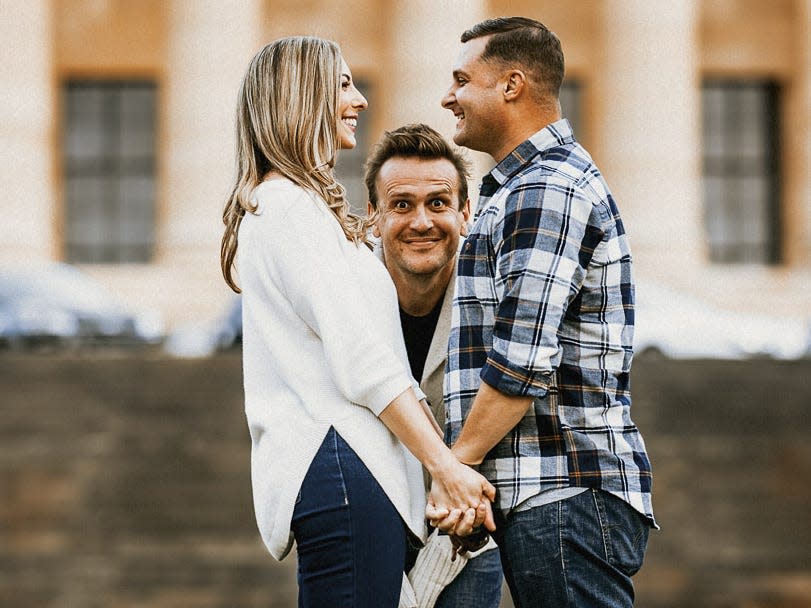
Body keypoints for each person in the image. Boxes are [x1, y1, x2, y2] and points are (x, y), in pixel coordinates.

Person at [219, 37, 495, 608]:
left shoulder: (293, 208)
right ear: (303, 95)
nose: (360, 99)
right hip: (342, 462)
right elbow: (363, 360)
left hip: (348, 468)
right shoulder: (289, 207)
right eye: (343, 84)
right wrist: (444, 466)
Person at [430, 17, 658, 608]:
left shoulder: (544, 188)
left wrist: (455, 467)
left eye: (461, 79)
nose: (448, 96)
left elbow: (522, 360)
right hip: (548, 493)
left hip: (561, 491)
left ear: (511, 85)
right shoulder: (522, 186)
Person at [364, 123, 503, 608]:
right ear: (373, 217)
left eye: (438, 204)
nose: (421, 221)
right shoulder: (344, 294)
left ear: (466, 213)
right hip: (365, 528)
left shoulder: (496, 288)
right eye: (401, 204)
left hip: (466, 531)